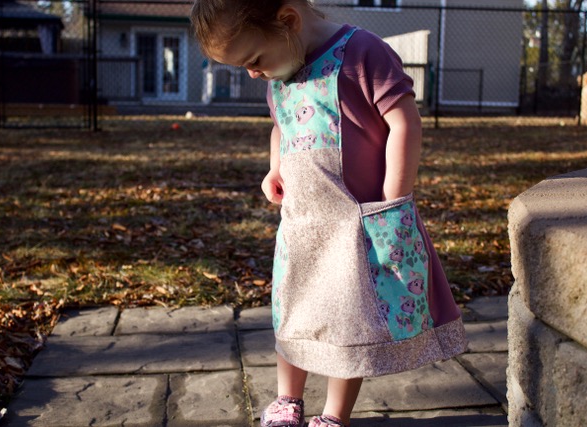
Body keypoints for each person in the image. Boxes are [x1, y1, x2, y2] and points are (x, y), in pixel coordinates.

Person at [191, 1, 468, 426]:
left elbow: (404, 122)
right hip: (301, 225)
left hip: (353, 226)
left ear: (288, 21)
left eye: (254, 60)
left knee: (350, 321)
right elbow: (282, 126)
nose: (253, 74)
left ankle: (334, 415)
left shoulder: (362, 53)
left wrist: (394, 198)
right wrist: (275, 168)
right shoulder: (280, 71)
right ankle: (288, 399)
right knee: (294, 312)